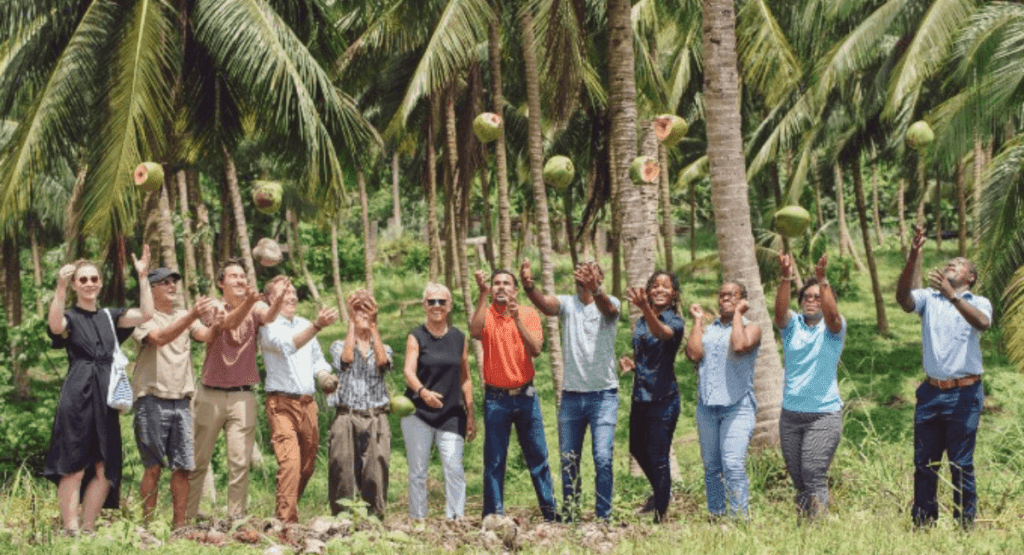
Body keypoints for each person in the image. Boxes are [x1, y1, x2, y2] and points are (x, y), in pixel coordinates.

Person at [44, 245, 154, 535]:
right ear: (76, 285)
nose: (89, 284)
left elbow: (146, 314)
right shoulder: (71, 316)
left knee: (105, 467)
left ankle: (89, 529)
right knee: (75, 465)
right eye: (83, 280)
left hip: (106, 398)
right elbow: (56, 326)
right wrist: (60, 287)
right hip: (77, 394)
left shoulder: (110, 316)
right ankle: (71, 530)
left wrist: (143, 276)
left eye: (94, 279)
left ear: (101, 283)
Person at [896, 226, 991, 527]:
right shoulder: (928, 298)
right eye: (948, 263)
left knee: (961, 464)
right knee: (924, 464)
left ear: (970, 277)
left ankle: (966, 525)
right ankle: (923, 523)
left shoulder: (978, 301)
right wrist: (913, 255)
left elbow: (983, 323)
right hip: (931, 393)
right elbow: (903, 299)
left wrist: (952, 296)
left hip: (965, 393)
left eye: (957, 264)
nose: (950, 264)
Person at [520, 259, 620, 521]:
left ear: (601, 277)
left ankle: (603, 518)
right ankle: (572, 515)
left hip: (604, 396)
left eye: (592, 269)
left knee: (603, 459)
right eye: (581, 269)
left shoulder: (611, 303)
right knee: (568, 460)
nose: (584, 273)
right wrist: (529, 287)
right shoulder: (567, 303)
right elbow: (546, 306)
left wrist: (595, 289)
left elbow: (608, 309)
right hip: (572, 397)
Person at [187, 259, 284, 521]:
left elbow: (269, 316)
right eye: (234, 276)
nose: (240, 280)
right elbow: (227, 324)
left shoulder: (256, 305)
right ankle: (187, 517)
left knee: (240, 462)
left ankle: (236, 519)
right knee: (198, 460)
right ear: (221, 283)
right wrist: (250, 303)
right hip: (210, 394)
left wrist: (277, 300)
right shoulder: (212, 305)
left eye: (243, 276)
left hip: (243, 395)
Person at [131, 268, 219, 528]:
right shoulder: (143, 316)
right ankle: (147, 526)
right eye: (164, 282)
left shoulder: (184, 316)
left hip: (182, 401)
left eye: (174, 282)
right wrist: (193, 314)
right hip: (152, 399)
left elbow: (205, 336)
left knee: (183, 467)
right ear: (151, 288)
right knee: (153, 467)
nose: (172, 286)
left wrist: (217, 322)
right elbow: (158, 338)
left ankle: (179, 527)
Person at [470, 269, 557, 522]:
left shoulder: (529, 314)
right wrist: (482, 293)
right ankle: (493, 517)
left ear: (515, 290)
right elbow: (475, 332)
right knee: (495, 461)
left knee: (538, 458)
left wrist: (517, 319)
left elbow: (537, 349)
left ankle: (551, 516)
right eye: (496, 283)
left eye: (506, 283)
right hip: (496, 399)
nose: (501, 287)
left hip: (526, 396)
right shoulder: (486, 314)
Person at [259, 275, 339, 523]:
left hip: (308, 405)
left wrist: (324, 376)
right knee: (290, 462)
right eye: (284, 292)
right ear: (270, 299)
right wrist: (317, 326)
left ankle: (288, 510)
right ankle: (286, 523)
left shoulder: (303, 323)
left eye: (293, 291)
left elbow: (316, 359)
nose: (291, 296)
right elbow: (288, 346)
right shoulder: (267, 327)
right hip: (281, 405)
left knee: (307, 464)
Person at [773, 254, 845, 519]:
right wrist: (785, 276)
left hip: (823, 415)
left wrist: (823, 279)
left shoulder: (833, 329)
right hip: (791, 415)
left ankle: (819, 530)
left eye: (818, 296)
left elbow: (833, 314)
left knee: (813, 473)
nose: (811, 300)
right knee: (799, 479)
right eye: (806, 296)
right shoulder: (792, 327)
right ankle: (807, 529)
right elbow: (779, 313)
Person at [685, 280, 761, 518]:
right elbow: (694, 354)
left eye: (733, 295)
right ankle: (716, 516)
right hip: (707, 408)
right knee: (711, 467)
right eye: (722, 295)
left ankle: (739, 518)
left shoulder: (752, 328)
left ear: (743, 300)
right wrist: (698, 321)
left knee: (732, 464)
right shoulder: (710, 329)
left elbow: (739, 345)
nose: (726, 298)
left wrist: (738, 314)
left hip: (737, 406)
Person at [401, 283, 475, 519]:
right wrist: (423, 392)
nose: (436, 306)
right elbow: (408, 372)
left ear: (449, 305)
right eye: (431, 301)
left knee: (454, 468)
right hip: (419, 412)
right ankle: (418, 521)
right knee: (418, 473)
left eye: (441, 301)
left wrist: (471, 413)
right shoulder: (416, 336)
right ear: (424, 305)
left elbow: (466, 378)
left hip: (452, 414)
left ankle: (455, 519)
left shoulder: (458, 337)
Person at [619, 271, 685, 523]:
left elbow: (663, 334)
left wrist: (645, 307)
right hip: (641, 396)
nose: (659, 290)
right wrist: (634, 364)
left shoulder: (674, 320)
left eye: (665, 287)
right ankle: (660, 494)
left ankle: (661, 513)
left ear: (674, 294)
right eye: (654, 286)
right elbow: (651, 352)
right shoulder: (642, 321)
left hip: (664, 399)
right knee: (637, 448)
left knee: (659, 455)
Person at [327, 290, 393, 518]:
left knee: (376, 469)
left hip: (375, 415)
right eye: (358, 313)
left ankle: (375, 519)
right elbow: (346, 359)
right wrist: (351, 327)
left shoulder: (382, 348)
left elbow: (383, 362)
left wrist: (373, 327)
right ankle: (342, 519)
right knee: (341, 468)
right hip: (346, 414)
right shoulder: (338, 345)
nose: (363, 317)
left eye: (367, 314)